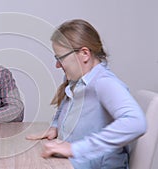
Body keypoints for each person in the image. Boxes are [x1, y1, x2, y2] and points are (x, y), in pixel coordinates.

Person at [26, 19, 147, 168]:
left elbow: (136, 122)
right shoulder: (76, 81)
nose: (57, 65)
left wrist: (73, 149)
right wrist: (56, 126)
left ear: (84, 54)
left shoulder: (104, 82)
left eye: (60, 58)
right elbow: (66, 106)